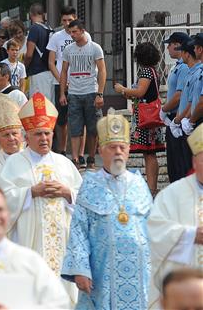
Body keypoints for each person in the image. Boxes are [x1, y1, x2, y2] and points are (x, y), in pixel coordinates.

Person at [0, 92, 82, 305]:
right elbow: (2, 201)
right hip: (28, 244)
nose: (44, 138)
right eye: (38, 134)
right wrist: (31, 192)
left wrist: (67, 192)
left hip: (62, 244)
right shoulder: (14, 164)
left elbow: (84, 199)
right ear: (26, 136)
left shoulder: (64, 164)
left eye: (47, 133)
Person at [61, 110, 152, 309]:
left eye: (122, 147)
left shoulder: (139, 183)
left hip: (140, 274)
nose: (118, 152)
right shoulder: (90, 184)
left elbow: (154, 228)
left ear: (128, 150)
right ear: (101, 151)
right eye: (112, 147)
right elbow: (78, 231)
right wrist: (80, 269)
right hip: (101, 274)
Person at [147, 123, 203, 309]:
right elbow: (155, 231)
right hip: (184, 294)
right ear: (194, 161)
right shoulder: (171, 195)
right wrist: (189, 235)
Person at [114, 42, 165, 194]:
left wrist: (123, 89)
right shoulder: (153, 71)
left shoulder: (146, 72)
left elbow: (141, 92)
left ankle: (151, 188)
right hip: (148, 115)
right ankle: (152, 187)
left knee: (149, 153)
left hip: (145, 117)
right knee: (150, 153)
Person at [59, 20, 106, 170]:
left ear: (82, 31)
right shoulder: (68, 49)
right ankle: (75, 158)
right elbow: (64, 71)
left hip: (91, 90)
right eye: (70, 32)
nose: (72, 35)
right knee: (75, 127)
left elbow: (102, 70)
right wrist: (62, 93)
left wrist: (100, 93)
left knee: (93, 128)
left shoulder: (95, 48)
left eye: (75, 32)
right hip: (74, 92)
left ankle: (91, 157)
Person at [47, 6, 88, 156]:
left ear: (75, 18)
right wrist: (62, 81)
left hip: (80, 82)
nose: (66, 23)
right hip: (60, 83)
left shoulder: (84, 35)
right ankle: (62, 151)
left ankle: (81, 154)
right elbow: (51, 62)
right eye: (64, 20)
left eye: (69, 20)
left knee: (80, 119)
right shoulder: (56, 37)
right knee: (61, 119)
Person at [159, 32, 192, 183]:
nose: (168, 49)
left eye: (170, 45)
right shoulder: (178, 66)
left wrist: (164, 109)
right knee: (173, 159)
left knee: (179, 161)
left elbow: (179, 96)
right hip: (174, 117)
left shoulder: (184, 67)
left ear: (178, 45)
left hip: (178, 117)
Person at [24, 3, 54, 101]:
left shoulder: (34, 28)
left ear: (31, 14)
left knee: (38, 105)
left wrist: (24, 66)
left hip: (38, 72)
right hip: (50, 72)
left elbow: (29, 54)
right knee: (49, 104)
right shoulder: (50, 29)